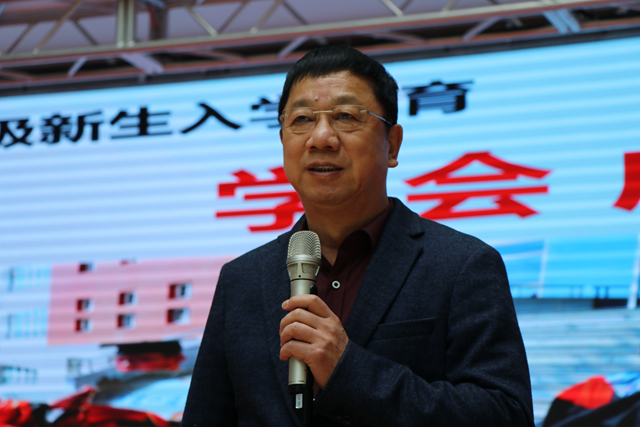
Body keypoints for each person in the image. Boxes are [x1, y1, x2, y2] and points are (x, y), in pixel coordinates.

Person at [182, 45, 534, 427]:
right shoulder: (242, 280)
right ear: (283, 140)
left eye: (346, 117)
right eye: (302, 119)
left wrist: (348, 369)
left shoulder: (461, 264)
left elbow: (505, 414)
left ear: (392, 145)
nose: (321, 138)